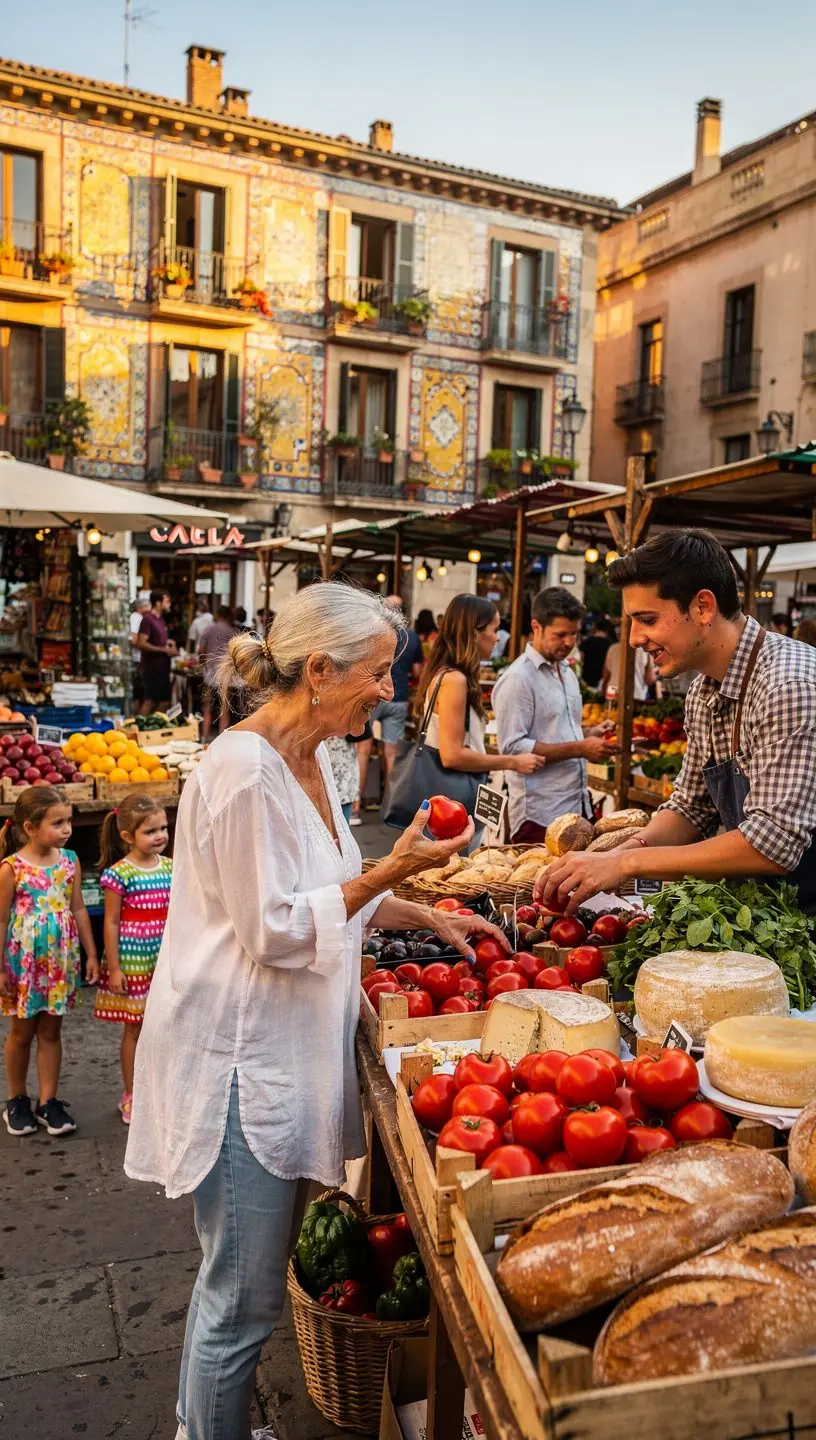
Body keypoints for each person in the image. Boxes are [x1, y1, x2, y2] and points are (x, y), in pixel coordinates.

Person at [122, 582, 510, 1440]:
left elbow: (325, 887)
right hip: (239, 1064)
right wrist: (390, 874)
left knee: (235, 1284)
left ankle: (204, 1419)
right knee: (243, 1299)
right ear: (322, 670)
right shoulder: (243, 769)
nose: (388, 689)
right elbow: (274, 928)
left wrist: (422, 909)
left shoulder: (316, 758)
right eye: (377, 673)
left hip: (278, 1055)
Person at [537, 529, 816, 915]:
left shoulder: (787, 684)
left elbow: (773, 843)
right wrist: (612, 855)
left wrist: (624, 864)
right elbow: (690, 808)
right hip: (774, 913)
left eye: (647, 619)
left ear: (703, 607)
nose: (634, 638)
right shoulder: (704, 691)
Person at [0, 786, 99, 1138]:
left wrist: (90, 953)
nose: (67, 829)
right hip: (23, 964)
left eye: (69, 821)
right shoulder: (11, 869)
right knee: (22, 1031)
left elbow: (78, 909)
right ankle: (15, 1099)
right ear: (29, 827)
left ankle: (48, 1100)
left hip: (59, 961)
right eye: (58, 823)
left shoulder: (69, 861)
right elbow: (0, 920)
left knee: (51, 1031)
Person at [493, 589, 618, 844]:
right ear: (536, 627)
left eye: (574, 634)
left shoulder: (566, 671)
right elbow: (514, 748)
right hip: (539, 815)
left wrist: (589, 734)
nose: (570, 642)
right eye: (560, 635)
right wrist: (581, 747)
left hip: (576, 806)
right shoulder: (518, 678)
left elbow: (557, 730)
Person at [412, 595, 547, 830]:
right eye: (495, 630)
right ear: (475, 633)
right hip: (450, 809)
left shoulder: (451, 675)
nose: (497, 638)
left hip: (452, 802)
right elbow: (452, 755)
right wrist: (512, 762)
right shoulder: (454, 680)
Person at [94, 795, 172, 1126]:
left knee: (168, 1027)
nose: (160, 836)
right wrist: (114, 967)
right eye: (151, 830)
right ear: (127, 836)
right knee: (135, 1029)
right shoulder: (118, 873)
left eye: (164, 828)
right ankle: (133, 1093)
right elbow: (110, 922)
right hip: (134, 961)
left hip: (164, 958)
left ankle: (163, 1092)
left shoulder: (171, 867)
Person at [137, 591, 177, 716]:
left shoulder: (161, 620)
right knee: (150, 701)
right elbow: (141, 643)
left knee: (164, 702)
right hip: (152, 668)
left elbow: (158, 640)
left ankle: (154, 729)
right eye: (166, 601)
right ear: (158, 603)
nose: (169, 604)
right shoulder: (148, 619)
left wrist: (169, 643)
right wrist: (164, 650)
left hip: (163, 667)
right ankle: (141, 729)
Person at [199, 605, 235, 740]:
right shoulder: (232, 632)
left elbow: (201, 651)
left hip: (209, 673)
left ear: (218, 615)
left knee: (207, 708)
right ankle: (222, 739)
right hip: (226, 674)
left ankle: (204, 737)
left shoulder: (208, 629)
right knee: (224, 709)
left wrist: (204, 662)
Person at [602, 636, 656, 701]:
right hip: (636, 696)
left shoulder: (613, 648)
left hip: (612, 694)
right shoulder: (645, 651)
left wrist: (603, 695)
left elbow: (605, 677)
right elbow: (650, 680)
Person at [581, 618, 613, 690]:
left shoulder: (586, 642)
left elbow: (581, 659)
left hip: (587, 679)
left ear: (596, 628)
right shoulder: (610, 645)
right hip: (602, 679)